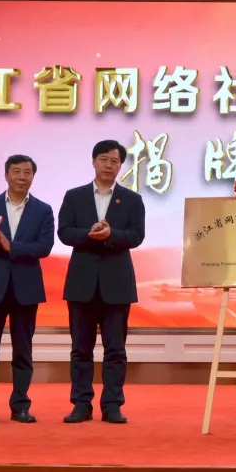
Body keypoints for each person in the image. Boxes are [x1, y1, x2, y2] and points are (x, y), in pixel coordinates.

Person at [58, 139, 146, 424]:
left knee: (116, 350)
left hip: (117, 285)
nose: (109, 166)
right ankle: (81, 405)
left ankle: (112, 405)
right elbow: (64, 232)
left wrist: (111, 235)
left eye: (115, 161)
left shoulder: (132, 199)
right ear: (94, 161)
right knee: (80, 350)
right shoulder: (74, 196)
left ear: (121, 166)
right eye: (104, 160)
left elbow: (136, 236)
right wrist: (90, 233)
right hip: (81, 283)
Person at [0, 154, 56, 424]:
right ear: (6, 175)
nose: (22, 177)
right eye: (16, 171)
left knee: (23, 351)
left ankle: (20, 406)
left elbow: (44, 247)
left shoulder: (43, 210)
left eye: (27, 172)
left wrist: (12, 246)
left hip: (26, 288)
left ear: (33, 177)